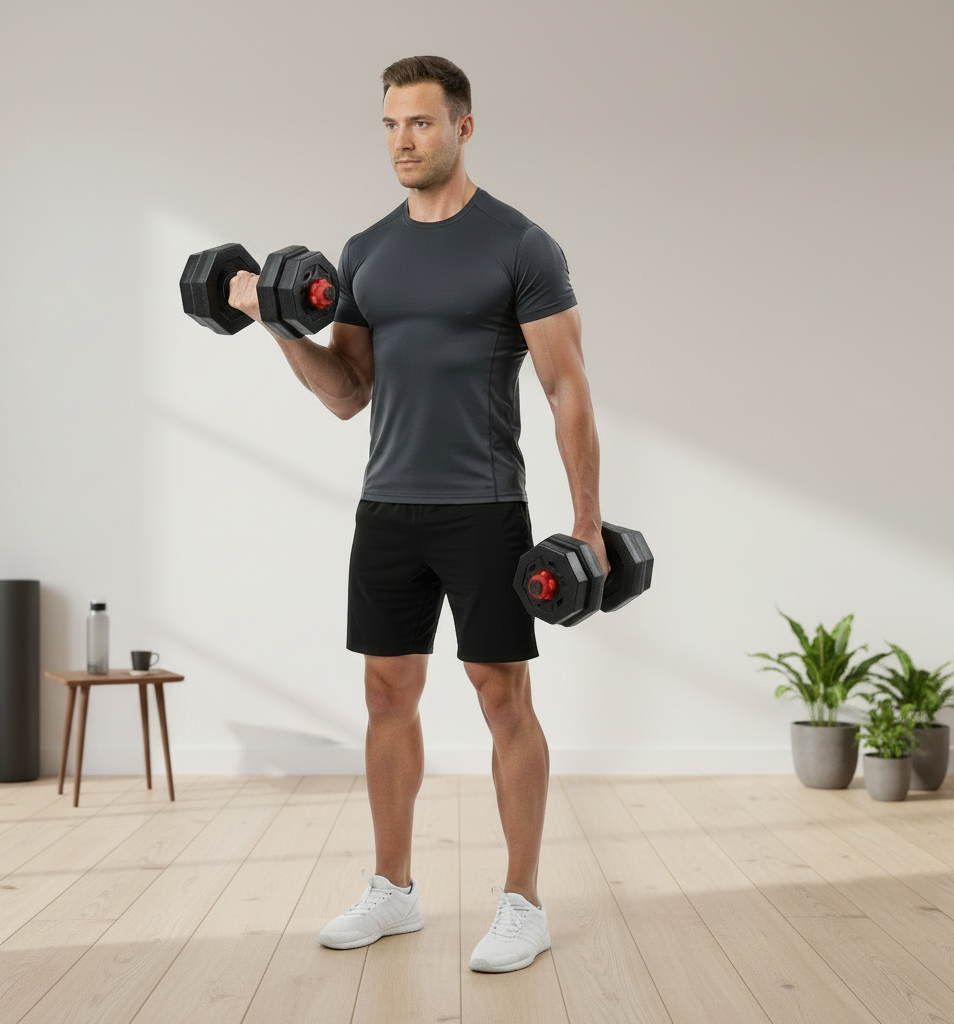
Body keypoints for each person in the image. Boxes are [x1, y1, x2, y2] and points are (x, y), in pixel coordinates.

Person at [228, 55, 608, 974]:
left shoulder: (521, 245)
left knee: (501, 697)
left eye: (422, 123)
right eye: (392, 125)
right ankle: (392, 889)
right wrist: (279, 323)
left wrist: (588, 523)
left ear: (463, 127)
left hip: (484, 507)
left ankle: (523, 903)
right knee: (386, 694)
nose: (404, 141)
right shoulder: (365, 251)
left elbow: (566, 388)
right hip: (387, 507)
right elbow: (347, 391)